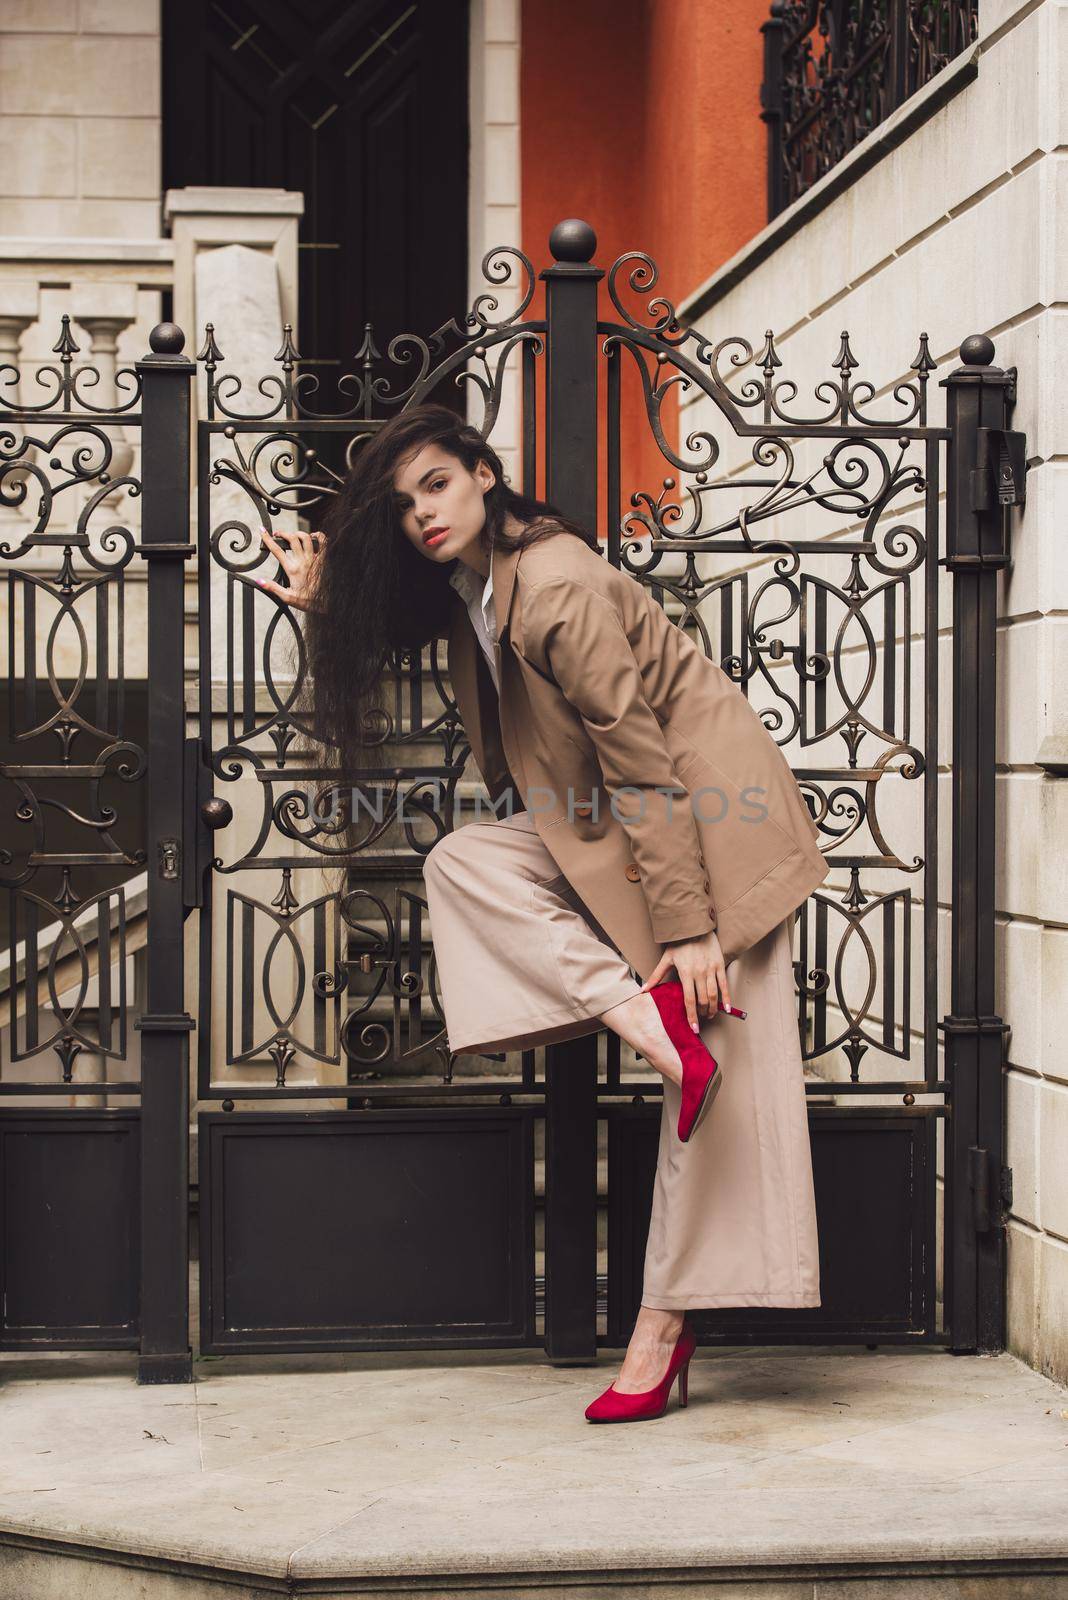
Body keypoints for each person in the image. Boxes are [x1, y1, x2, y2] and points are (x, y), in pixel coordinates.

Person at [254, 403, 827, 1423]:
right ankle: (655, 1026)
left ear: (483, 472)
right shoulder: (478, 580)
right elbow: (419, 636)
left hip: (710, 826)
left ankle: (661, 1329)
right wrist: (326, 600)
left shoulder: (555, 583)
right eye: (401, 505)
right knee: (469, 863)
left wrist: (689, 927)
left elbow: (642, 758)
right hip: (606, 829)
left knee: (719, 1084)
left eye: (436, 483)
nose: (423, 514)